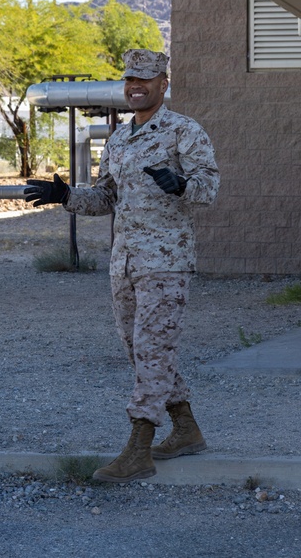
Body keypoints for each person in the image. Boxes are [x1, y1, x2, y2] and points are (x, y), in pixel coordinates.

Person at [24, 48, 220, 483]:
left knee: (152, 348)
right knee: (142, 352)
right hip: (126, 263)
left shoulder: (183, 131)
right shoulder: (118, 139)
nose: (136, 86)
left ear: (163, 84)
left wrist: (183, 184)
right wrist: (67, 197)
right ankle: (186, 428)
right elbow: (106, 198)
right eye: (130, 79)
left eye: (146, 80)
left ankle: (139, 448)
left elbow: (209, 189)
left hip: (166, 261)